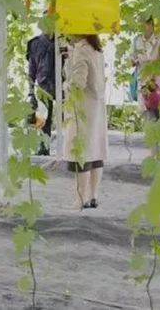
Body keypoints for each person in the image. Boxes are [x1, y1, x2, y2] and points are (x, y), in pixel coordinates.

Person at [63, 34, 107, 209]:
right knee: (96, 151)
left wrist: (66, 85)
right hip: (96, 107)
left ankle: (80, 198)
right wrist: (69, 58)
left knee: (81, 151)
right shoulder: (97, 50)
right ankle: (93, 196)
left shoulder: (81, 51)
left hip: (82, 108)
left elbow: (77, 84)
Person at [131, 17, 160, 120]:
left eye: (144, 23)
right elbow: (133, 58)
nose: (141, 26)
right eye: (139, 23)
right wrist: (133, 61)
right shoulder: (137, 40)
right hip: (144, 86)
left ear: (151, 24)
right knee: (149, 119)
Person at [26, 17, 56, 155]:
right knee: (44, 117)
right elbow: (31, 68)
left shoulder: (64, 41)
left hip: (63, 84)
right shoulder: (35, 43)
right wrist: (31, 90)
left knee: (70, 117)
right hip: (44, 84)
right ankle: (44, 146)